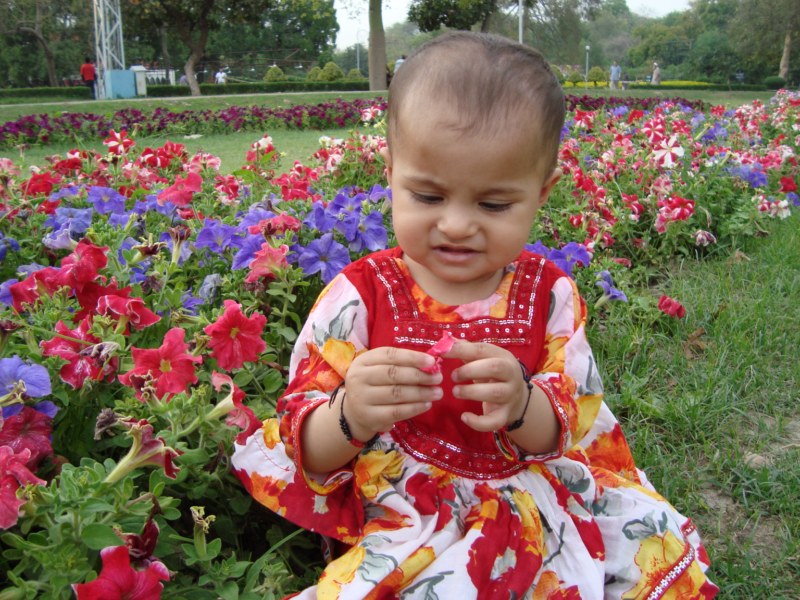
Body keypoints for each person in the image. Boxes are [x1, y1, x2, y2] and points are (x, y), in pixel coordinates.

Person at [232, 32, 717, 599]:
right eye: (429, 196)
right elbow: (305, 445)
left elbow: (566, 422)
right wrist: (351, 413)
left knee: (658, 554)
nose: (458, 224)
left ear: (542, 192)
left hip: (532, 488)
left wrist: (520, 404)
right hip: (415, 509)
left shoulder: (548, 294)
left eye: (493, 204)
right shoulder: (362, 295)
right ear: (391, 174)